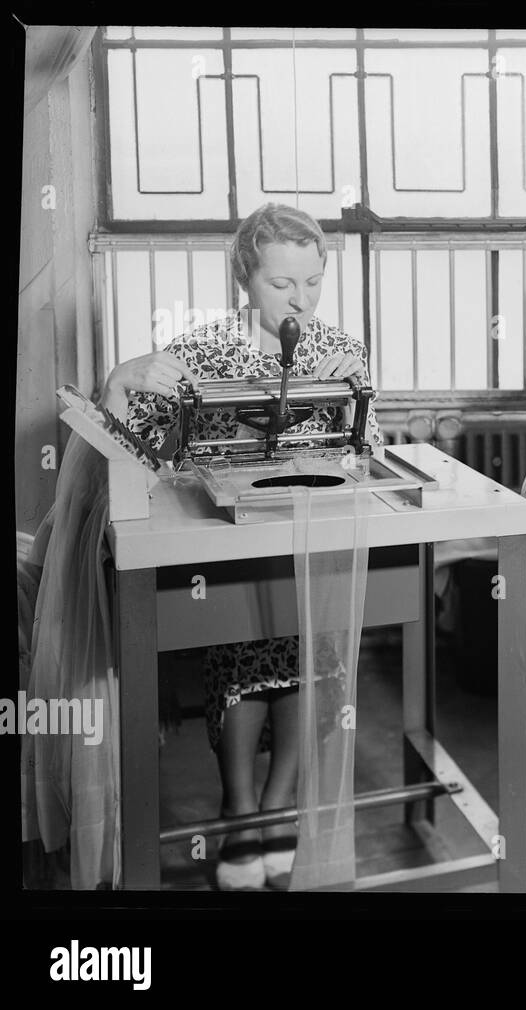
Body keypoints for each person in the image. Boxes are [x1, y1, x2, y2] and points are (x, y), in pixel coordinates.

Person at [102, 203, 382, 889]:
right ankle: (239, 803)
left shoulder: (340, 349)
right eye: (283, 284)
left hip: (311, 533)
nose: (302, 299)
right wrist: (122, 378)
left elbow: (368, 451)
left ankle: (278, 804)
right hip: (224, 539)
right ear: (244, 278)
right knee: (245, 646)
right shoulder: (198, 351)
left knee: (309, 652)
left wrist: (358, 392)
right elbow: (126, 446)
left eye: (314, 282)